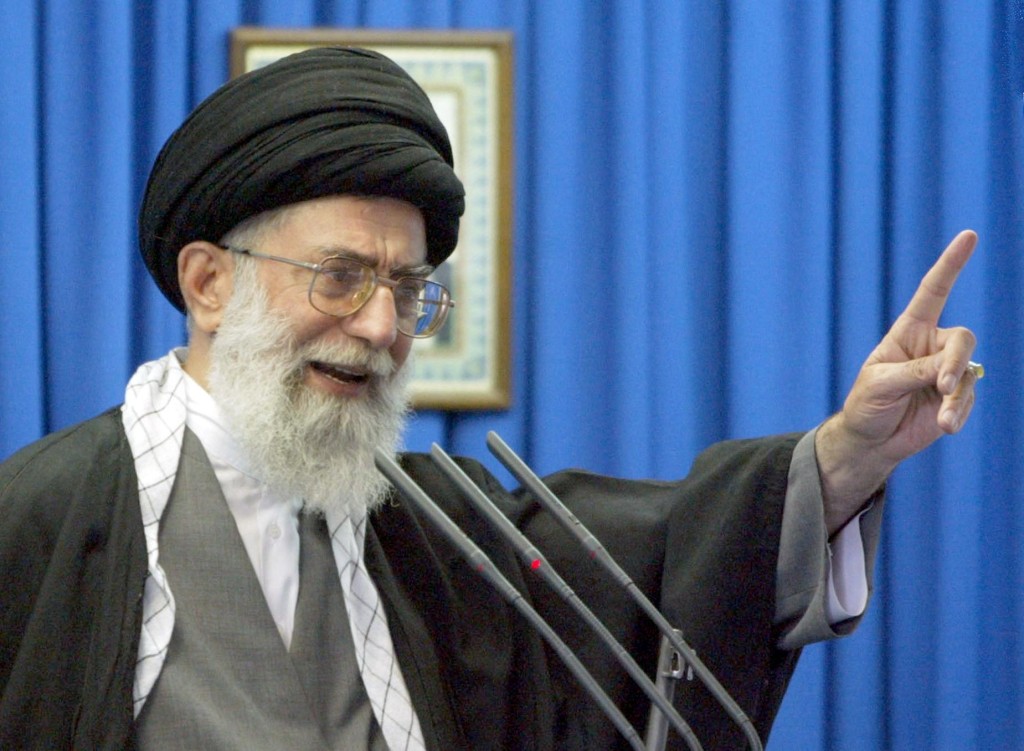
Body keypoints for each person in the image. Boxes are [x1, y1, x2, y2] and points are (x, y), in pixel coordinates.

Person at [0, 47, 979, 751]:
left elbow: (662, 560)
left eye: (408, 289)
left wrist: (852, 451)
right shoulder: (37, 518)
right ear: (209, 282)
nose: (383, 327)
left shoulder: (434, 526)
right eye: (340, 278)